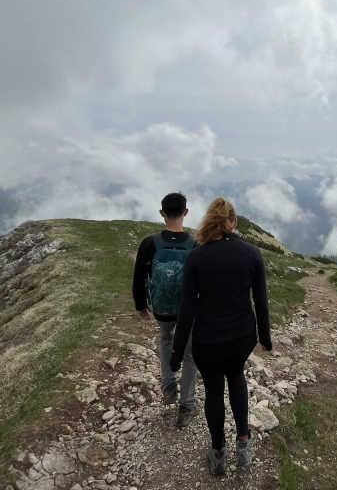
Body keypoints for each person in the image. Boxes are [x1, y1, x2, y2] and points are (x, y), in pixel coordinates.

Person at [170, 197, 272, 475]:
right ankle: (243, 443)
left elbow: (186, 310)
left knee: (214, 391)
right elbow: (260, 302)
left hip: (207, 340)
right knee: (236, 376)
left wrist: (177, 355)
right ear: (234, 222)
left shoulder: (196, 257)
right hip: (242, 337)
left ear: (208, 223)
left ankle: (218, 454)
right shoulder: (252, 253)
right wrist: (266, 338)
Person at [132, 192, 199, 428]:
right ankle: (187, 404)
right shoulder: (195, 244)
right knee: (190, 353)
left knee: (166, 339)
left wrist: (141, 304)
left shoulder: (150, 243)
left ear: (162, 213)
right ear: (186, 212)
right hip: (189, 310)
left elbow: (139, 276)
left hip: (161, 308)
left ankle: (168, 387)